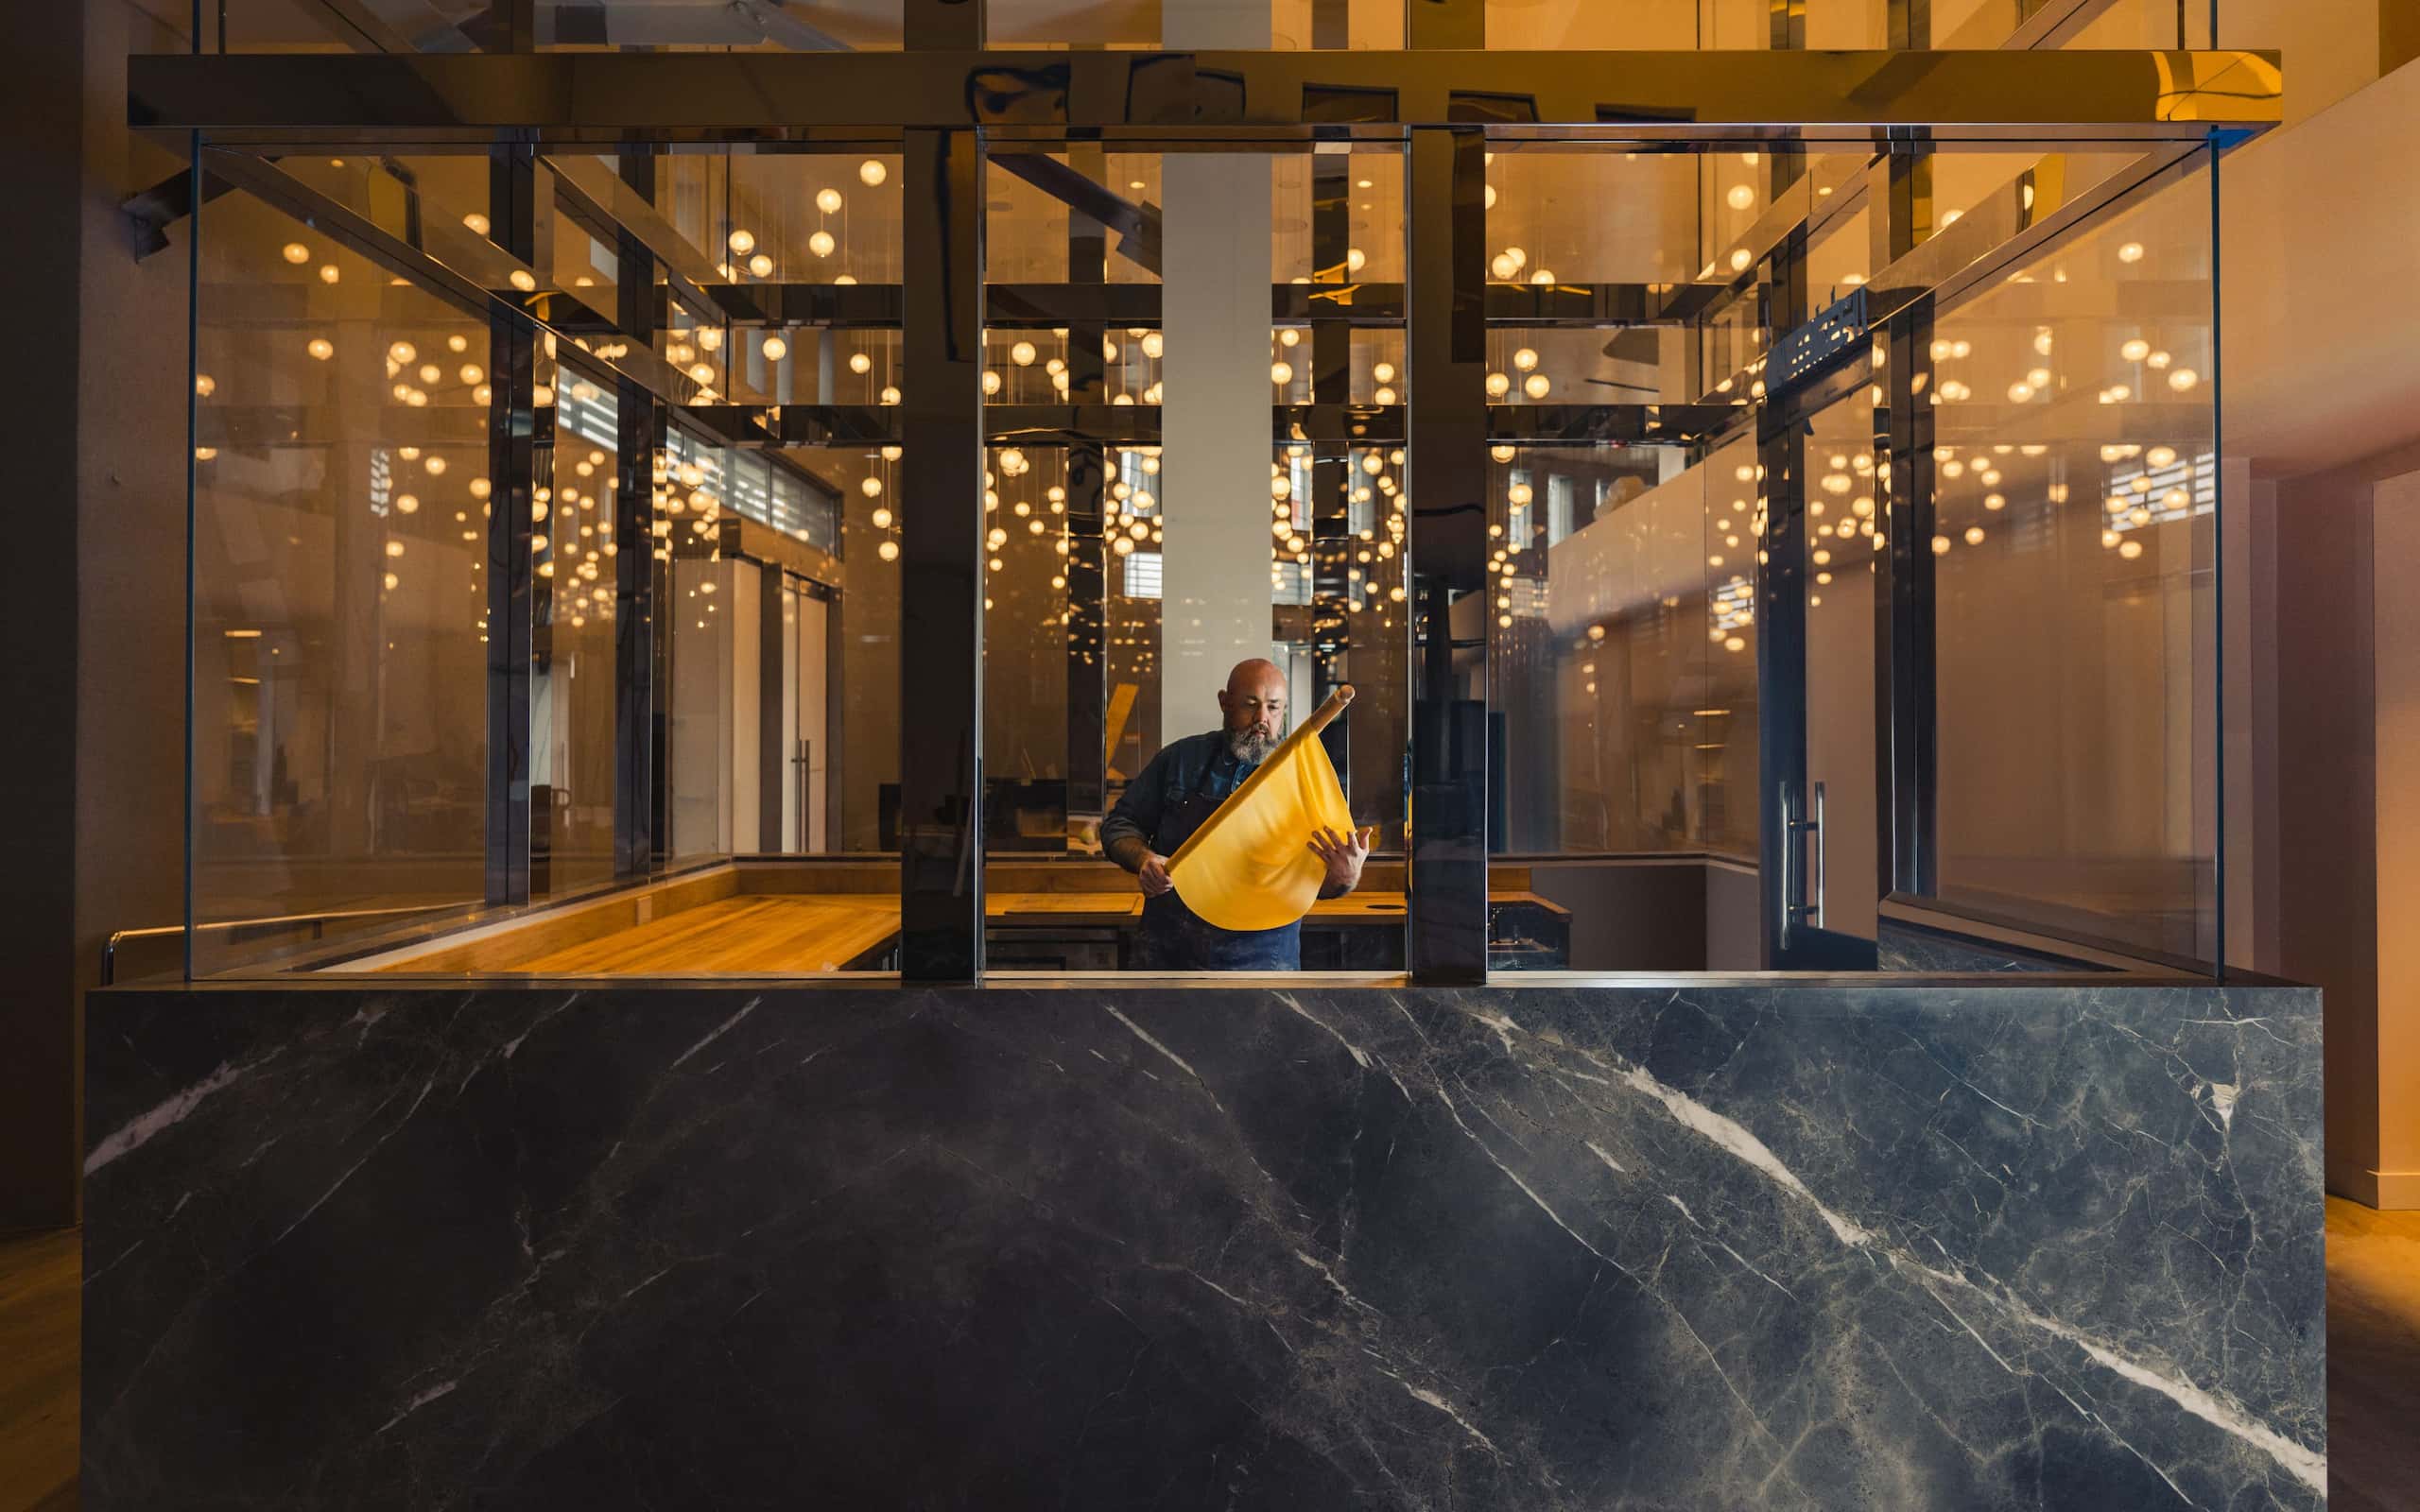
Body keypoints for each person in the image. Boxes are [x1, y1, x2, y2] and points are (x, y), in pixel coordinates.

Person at [1101, 658, 1374, 970]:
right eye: (1250, 705)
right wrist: (1143, 860)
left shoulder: (1303, 780)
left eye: (1273, 707)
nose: (1262, 718)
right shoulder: (1179, 760)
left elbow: (1318, 886)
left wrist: (1346, 877)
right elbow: (1119, 826)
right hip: (1172, 953)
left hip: (1264, 959)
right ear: (1224, 702)